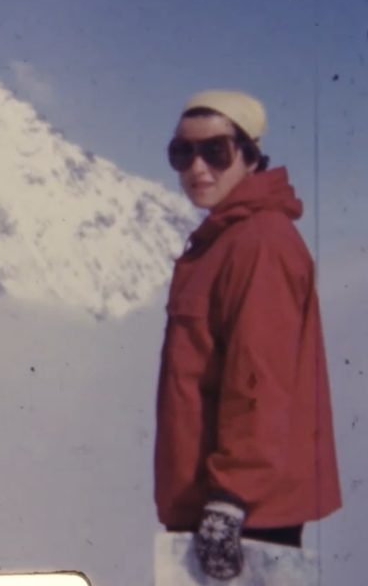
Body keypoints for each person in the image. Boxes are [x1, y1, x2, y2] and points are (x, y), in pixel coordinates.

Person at [154, 90, 340, 580]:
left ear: (252, 156)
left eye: (215, 151)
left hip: (243, 512)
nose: (196, 167)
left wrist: (230, 497)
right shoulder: (226, 240)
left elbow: (260, 380)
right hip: (216, 502)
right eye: (182, 152)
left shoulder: (259, 243)